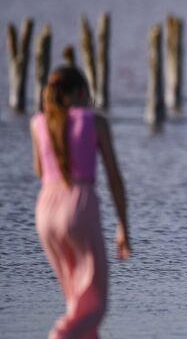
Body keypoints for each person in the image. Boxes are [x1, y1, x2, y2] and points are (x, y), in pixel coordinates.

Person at [30, 66, 130, 338]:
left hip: (45, 211)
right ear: (82, 92)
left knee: (78, 302)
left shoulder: (39, 122)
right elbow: (114, 178)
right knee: (95, 306)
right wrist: (123, 226)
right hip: (78, 206)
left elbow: (41, 171)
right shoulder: (94, 121)